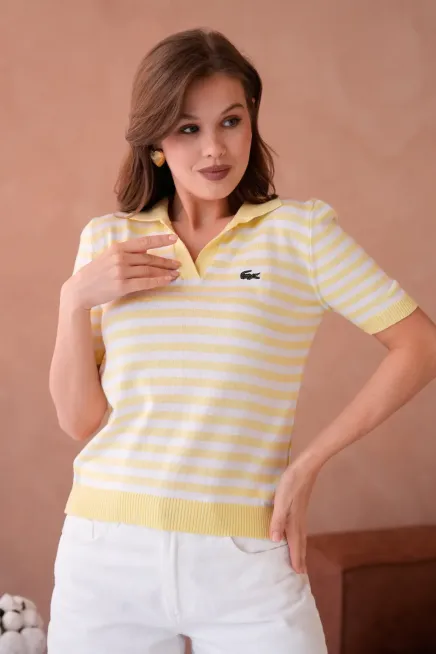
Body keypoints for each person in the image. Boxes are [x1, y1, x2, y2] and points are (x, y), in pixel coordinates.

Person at [47, 28, 436, 654]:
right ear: (155, 141)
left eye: (230, 121)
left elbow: (421, 346)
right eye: (188, 128)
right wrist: (74, 300)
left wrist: (308, 465)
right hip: (106, 551)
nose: (214, 149)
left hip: (248, 556)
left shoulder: (300, 235)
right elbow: (80, 421)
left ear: (252, 120)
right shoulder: (107, 241)